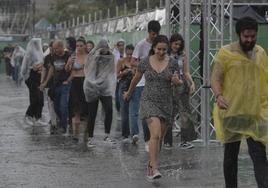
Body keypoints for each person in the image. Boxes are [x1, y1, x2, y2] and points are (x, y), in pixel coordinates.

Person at [211, 17, 268, 188]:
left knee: (259, 155)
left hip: (254, 113)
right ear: (239, 35)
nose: (250, 40)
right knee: (231, 157)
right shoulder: (226, 53)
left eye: (253, 36)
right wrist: (219, 95)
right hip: (232, 111)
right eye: (246, 37)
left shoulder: (260, 53)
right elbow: (216, 78)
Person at [124, 35, 182, 180]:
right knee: (154, 134)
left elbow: (178, 81)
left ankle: (152, 163)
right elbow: (136, 78)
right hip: (149, 100)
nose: (161, 52)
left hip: (166, 102)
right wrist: (129, 93)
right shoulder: (145, 62)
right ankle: (153, 169)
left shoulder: (173, 63)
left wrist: (177, 81)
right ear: (153, 48)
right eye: (159, 49)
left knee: (160, 138)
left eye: (164, 49)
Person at [130, 20, 161, 151]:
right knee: (145, 113)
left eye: (157, 34)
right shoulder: (141, 45)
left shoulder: (159, 46)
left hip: (156, 84)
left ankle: (155, 139)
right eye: (153, 34)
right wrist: (145, 66)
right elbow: (132, 62)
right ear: (149, 32)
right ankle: (147, 140)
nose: (155, 36)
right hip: (141, 83)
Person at [164, 33, 196, 149]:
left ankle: (185, 140)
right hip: (169, 83)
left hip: (182, 83)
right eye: (175, 44)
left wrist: (192, 83)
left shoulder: (183, 55)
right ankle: (167, 141)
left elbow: (186, 71)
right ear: (170, 43)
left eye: (179, 44)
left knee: (185, 112)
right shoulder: (165, 54)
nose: (177, 46)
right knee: (169, 113)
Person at [83, 39, 116, 147]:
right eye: (102, 49)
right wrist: (95, 58)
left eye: (106, 48)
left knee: (109, 110)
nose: (104, 51)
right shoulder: (93, 56)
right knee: (92, 113)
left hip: (105, 88)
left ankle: (107, 135)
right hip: (93, 87)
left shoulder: (110, 57)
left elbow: (112, 72)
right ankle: (90, 138)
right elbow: (88, 71)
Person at [65, 36, 88, 142]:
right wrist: (69, 63)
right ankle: (76, 134)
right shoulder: (73, 56)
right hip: (75, 84)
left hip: (86, 83)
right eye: (77, 46)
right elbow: (67, 69)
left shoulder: (89, 57)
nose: (79, 47)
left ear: (85, 46)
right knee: (76, 110)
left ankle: (87, 134)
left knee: (86, 110)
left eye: (81, 45)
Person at [21, 38, 44, 125]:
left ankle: (38, 117)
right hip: (32, 77)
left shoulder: (40, 52)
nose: (37, 44)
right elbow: (24, 68)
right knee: (35, 98)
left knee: (40, 98)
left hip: (40, 76)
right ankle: (29, 116)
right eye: (35, 43)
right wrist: (26, 77)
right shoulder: (29, 53)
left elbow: (42, 63)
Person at [116, 44, 135, 142]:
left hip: (134, 87)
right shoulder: (121, 61)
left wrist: (134, 71)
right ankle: (125, 135)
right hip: (123, 86)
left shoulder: (136, 61)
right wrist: (125, 72)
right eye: (128, 54)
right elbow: (116, 75)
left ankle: (134, 133)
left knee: (134, 111)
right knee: (124, 111)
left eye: (131, 54)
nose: (129, 56)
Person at [39, 41, 59, 134]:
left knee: (58, 103)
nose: (52, 51)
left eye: (54, 49)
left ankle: (58, 119)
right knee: (50, 103)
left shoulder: (61, 56)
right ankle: (54, 122)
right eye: (51, 49)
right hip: (48, 84)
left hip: (58, 83)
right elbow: (44, 69)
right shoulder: (47, 57)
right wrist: (42, 81)